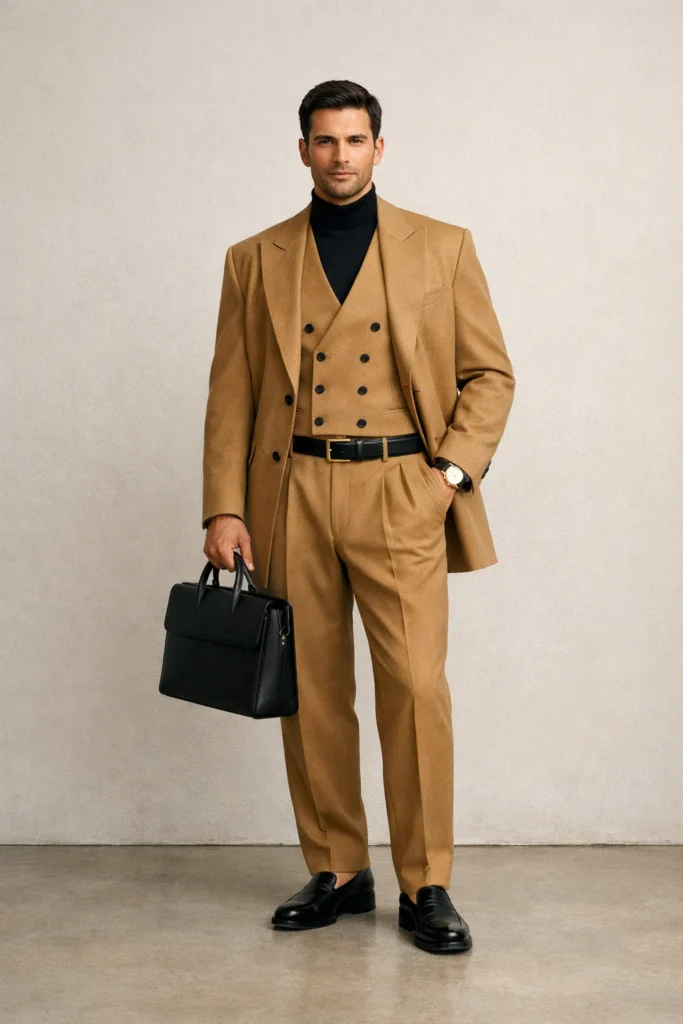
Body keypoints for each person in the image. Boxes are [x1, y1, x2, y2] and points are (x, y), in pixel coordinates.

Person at [202, 79, 515, 954]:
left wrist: (447, 473)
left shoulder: (442, 247)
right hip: (290, 490)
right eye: (323, 140)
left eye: (354, 139)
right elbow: (232, 392)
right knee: (314, 693)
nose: (340, 155)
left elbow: (490, 374)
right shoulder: (252, 258)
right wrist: (224, 506)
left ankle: (427, 883)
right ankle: (338, 868)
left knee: (415, 689)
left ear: (380, 148)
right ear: (301, 150)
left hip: (399, 491)